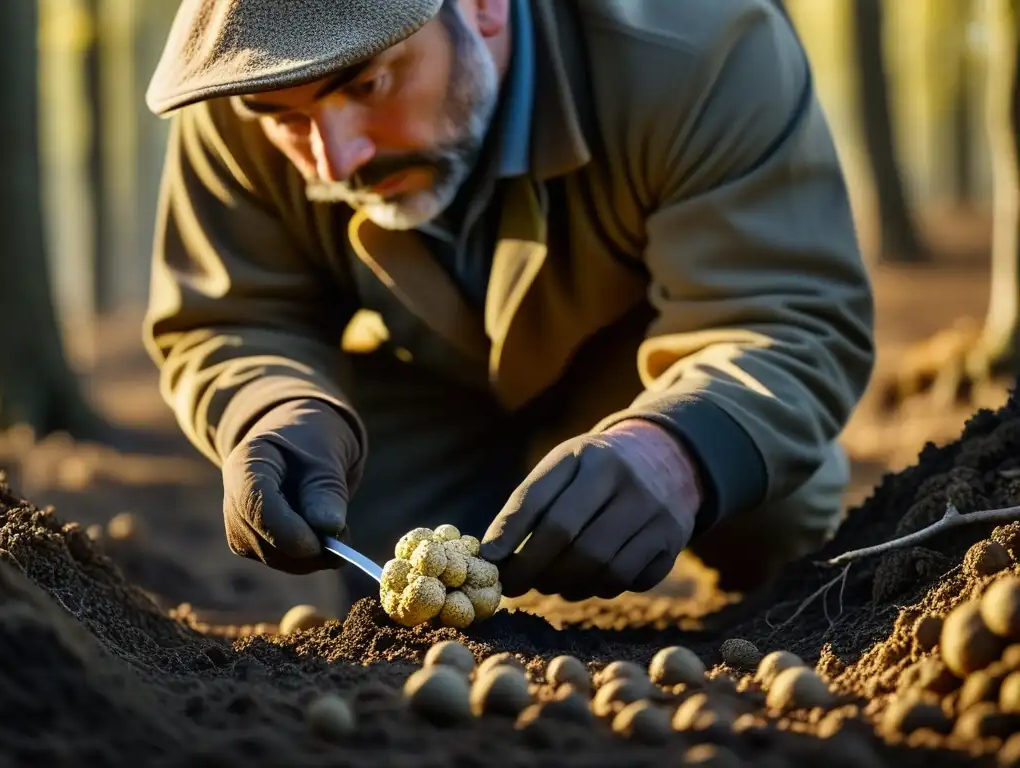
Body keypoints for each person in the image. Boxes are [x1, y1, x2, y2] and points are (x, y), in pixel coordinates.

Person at [142, 0, 874, 610]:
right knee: (357, 546)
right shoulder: (244, 91)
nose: (335, 162)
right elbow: (232, 316)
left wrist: (674, 452)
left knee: (764, 491)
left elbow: (784, 313)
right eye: (286, 120)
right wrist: (273, 409)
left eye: (367, 86)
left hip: (642, 373)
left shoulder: (700, 48)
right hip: (433, 392)